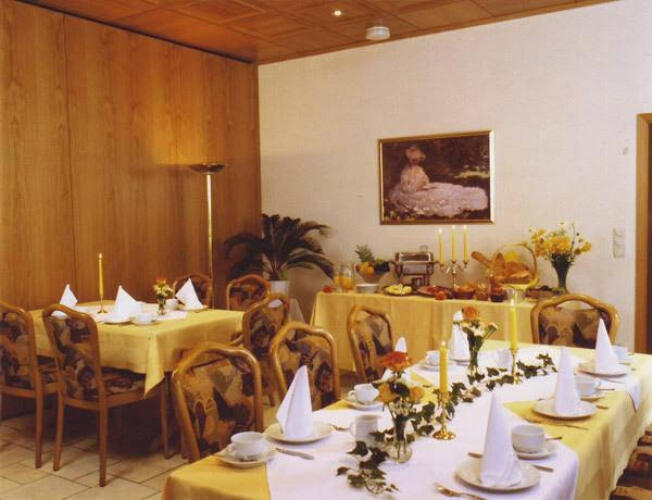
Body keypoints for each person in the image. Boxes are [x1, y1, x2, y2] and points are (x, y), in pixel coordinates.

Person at [388, 144, 488, 218]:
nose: (416, 162)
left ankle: (470, 197)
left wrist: (426, 185)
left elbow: (425, 180)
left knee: (445, 189)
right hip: (412, 195)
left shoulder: (419, 169)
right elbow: (406, 189)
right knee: (437, 197)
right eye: (414, 160)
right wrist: (418, 187)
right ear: (409, 160)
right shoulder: (405, 172)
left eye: (418, 160)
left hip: (424, 189)